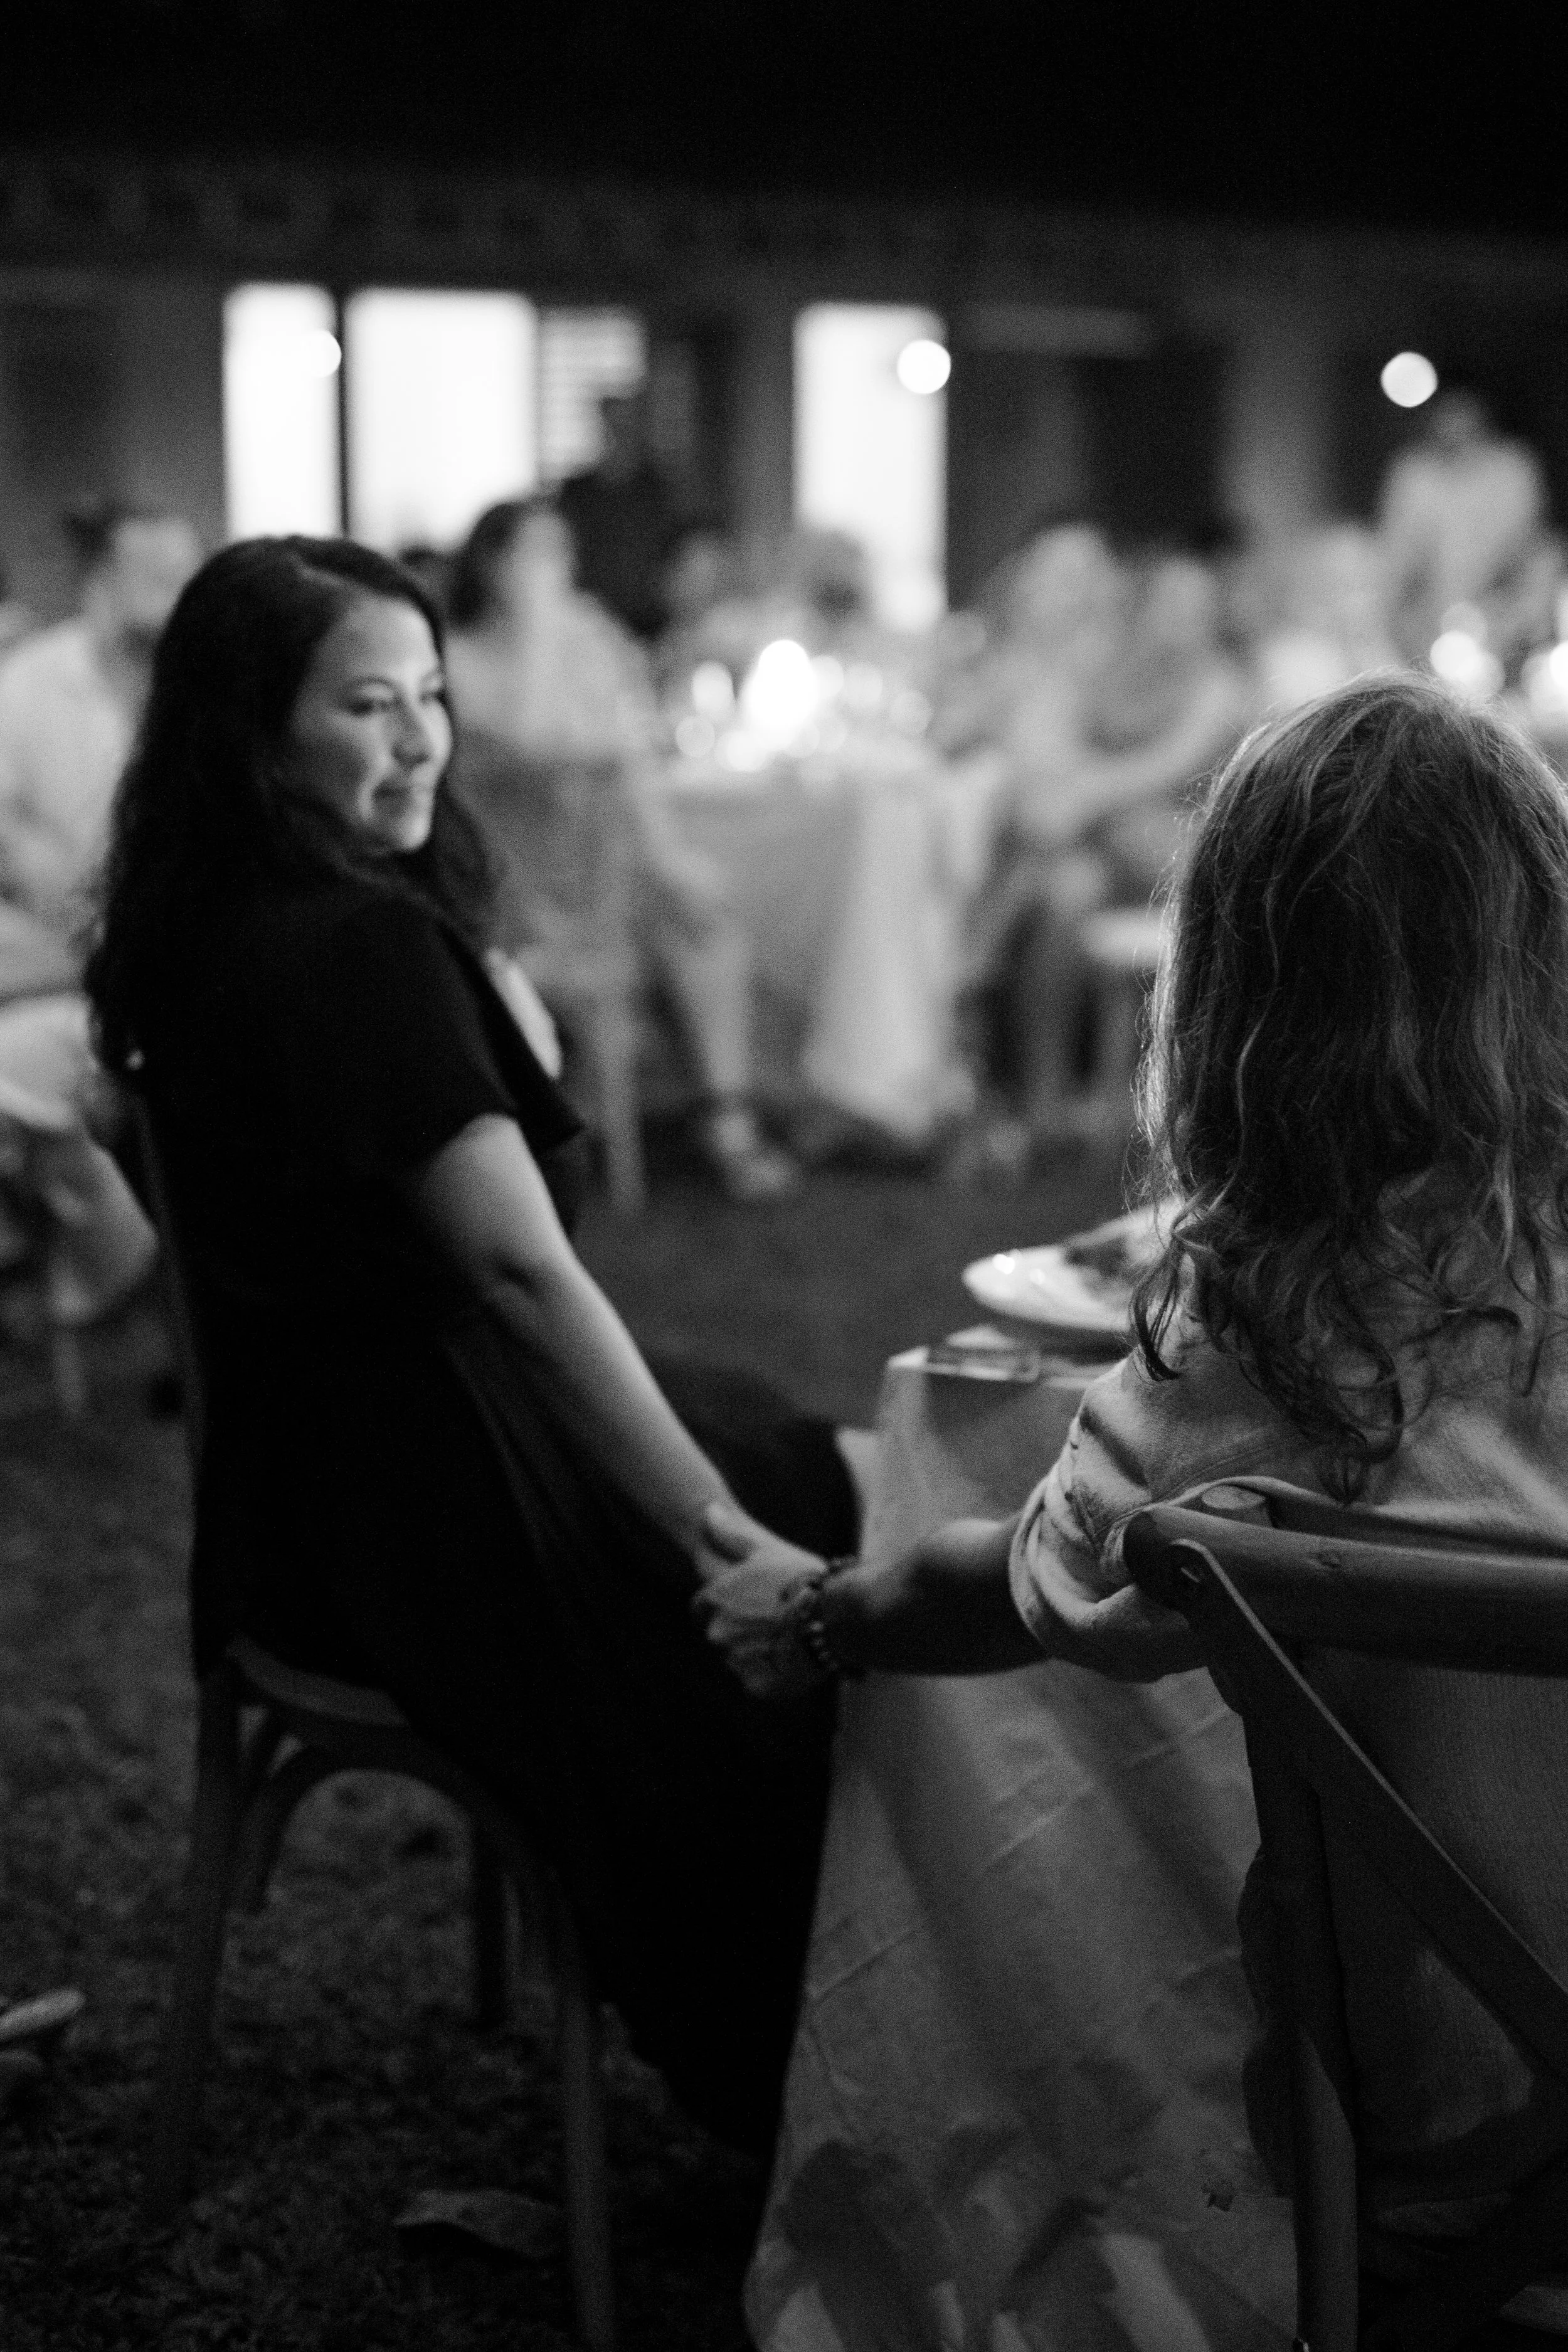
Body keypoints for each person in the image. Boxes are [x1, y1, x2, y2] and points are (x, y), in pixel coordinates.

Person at [700, 677, 1568, 2307]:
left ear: (1235, 997)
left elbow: (1002, 1585)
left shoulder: (1256, 1356)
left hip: (1447, 2133)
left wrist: (823, 1612)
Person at [83, 536, 859, 2155]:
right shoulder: (352, 951)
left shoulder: (198, 924)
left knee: (799, 1440)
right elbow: (517, 1272)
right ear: (252, 733)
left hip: (307, 1492)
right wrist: (719, 1542)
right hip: (432, 1507)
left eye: (430, 693)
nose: (421, 736)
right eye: (366, 703)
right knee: (811, 1570)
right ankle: (838, 2072)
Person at [443, 495, 800, 1202]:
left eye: (560, 552)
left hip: (600, 883)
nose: (551, 570)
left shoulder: (592, 645)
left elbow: (633, 767)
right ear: (490, 561)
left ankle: (727, 1123)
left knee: (704, 919)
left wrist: (670, 862)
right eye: (532, 553)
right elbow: (531, 747)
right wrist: (542, 638)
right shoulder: (458, 659)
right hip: (504, 892)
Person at [0, 498, 199, 1321]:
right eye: (155, 575)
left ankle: (101, 1261)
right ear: (101, 581)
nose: (176, 592)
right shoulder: (31, 683)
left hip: (187, 970)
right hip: (64, 958)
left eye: (184, 572)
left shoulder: (205, 688)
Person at [1379, 380, 1552, 674]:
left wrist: (1491, 609)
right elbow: (1396, 561)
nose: (1456, 422)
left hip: (1501, 614)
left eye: (1464, 410)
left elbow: (1527, 546)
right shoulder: (1413, 473)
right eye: (1448, 411)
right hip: (1427, 623)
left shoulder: (1513, 468)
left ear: (1482, 413)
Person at [555, 387, 683, 642]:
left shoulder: (657, 490)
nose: (622, 433)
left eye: (629, 424)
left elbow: (674, 554)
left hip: (651, 625)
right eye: (615, 425)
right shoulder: (576, 493)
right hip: (586, 623)